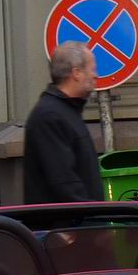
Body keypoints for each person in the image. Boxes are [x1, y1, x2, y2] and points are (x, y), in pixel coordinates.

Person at [24, 42, 101, 203]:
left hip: (78, 223)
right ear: (76, 73)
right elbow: (64, 182)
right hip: (65, 226)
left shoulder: (66, 111)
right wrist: (93, 215)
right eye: (92, 69)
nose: (96, 76)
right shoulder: (50, 116)